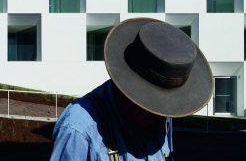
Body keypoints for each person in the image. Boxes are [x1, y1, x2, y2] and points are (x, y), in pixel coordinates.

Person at [50, 18, 213, 161]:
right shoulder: (79, 130)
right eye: (152, 104)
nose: (161, 114)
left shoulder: (162, 118)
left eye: (164, 105)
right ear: (130, 88)